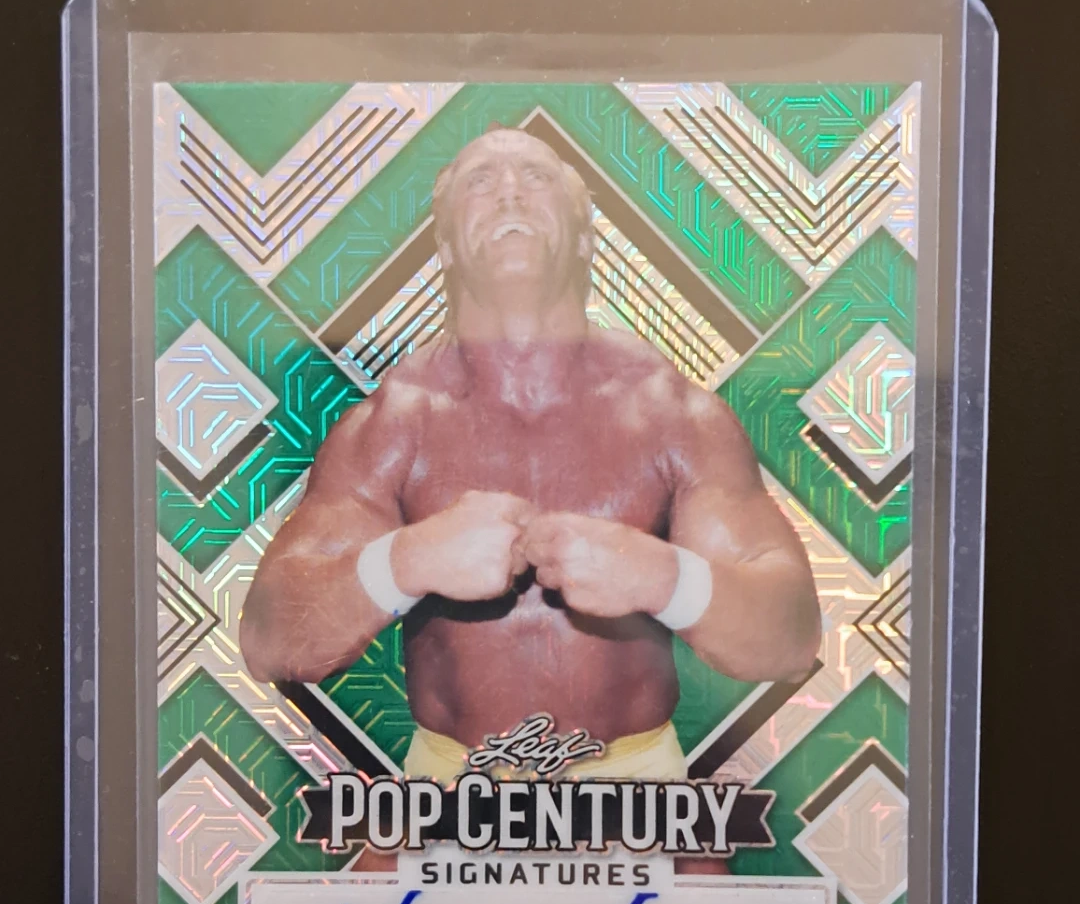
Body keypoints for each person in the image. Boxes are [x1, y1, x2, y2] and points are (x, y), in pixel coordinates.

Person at [240, 125, 820, 785]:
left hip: (637, 796)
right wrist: (406, 561)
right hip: (450, 790)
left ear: (584, 237)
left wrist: (663, 578)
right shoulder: (394, 423)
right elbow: (268, 641)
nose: (510, 193)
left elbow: (791, 637)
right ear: (445, 245)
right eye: (480, 181)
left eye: (536, 177)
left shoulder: (673, 416)